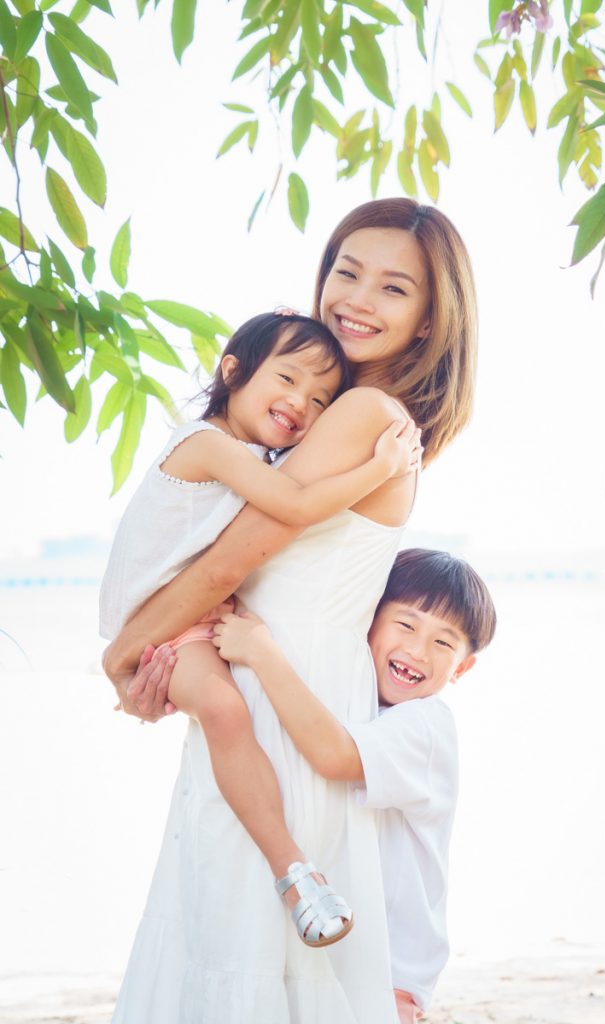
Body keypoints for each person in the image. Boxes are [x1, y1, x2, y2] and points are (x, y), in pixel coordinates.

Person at [103, 198, 478, 1024]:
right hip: (277, 679)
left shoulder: (363, 416)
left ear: (427, 321)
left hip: (285, 696)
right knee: (233, 937)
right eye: (347, 272)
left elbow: (235, 557)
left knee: (241, 943)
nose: (356, 298)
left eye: (392, 289)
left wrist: (122, 652)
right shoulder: (330, 410)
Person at [99, 311, 419, 947]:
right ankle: (294, 875)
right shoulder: (207, 445)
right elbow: (296, 508)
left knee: (224, 715)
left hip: (183, 619)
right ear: (233, 372)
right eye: (288, 378)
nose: (301, 403)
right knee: (224, 709)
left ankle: (296, 874)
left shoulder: (256, 455)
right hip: (158, 624)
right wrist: (380, 469)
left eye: (320, 398)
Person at [212, 548, 497, 1023]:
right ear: (368, 621)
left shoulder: (426, 726)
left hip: (391, 974)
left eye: (443, 644)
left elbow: (333, 755)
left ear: (462, 669)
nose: (417, 651)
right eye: (405, 626)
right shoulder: (361, 704)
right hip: (346, 954)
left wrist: (261, 651)